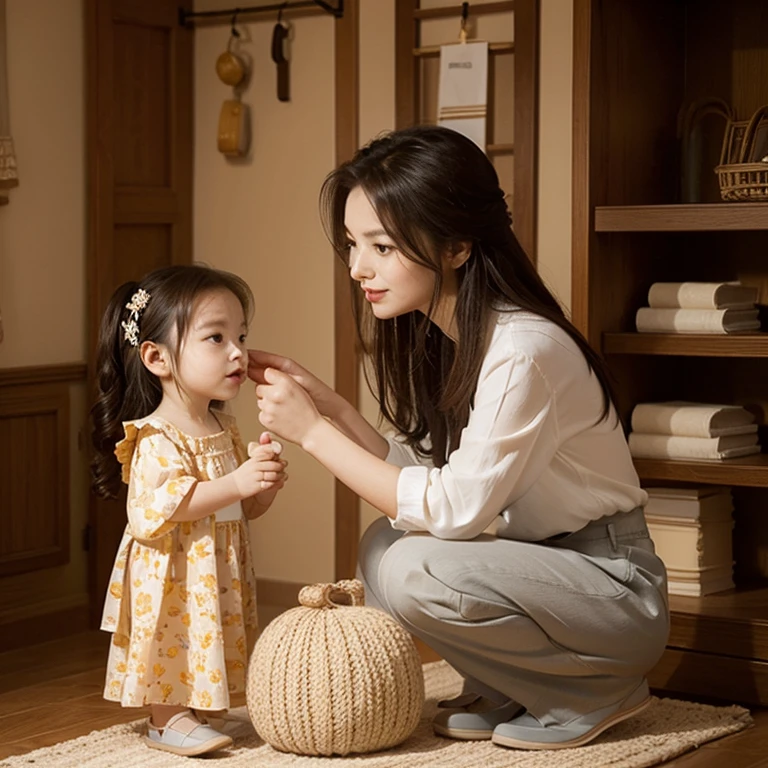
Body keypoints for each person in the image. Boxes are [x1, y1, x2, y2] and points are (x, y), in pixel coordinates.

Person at [249, 125, 669, 751]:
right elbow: (427, 480)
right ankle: (513, 687)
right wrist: (332, 409)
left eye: (382, 246)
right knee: (382, 545)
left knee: (416, 566)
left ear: (457, 246)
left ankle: (590, 691)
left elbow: (456, 511)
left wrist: (312, 433)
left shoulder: (525, 350)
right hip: (553, 573)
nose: (359, 267)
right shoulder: (456, 334)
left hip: (611, 587)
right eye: (352, 244)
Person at [91, 264, 288, 757]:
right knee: (173, 633)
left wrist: (261, 487)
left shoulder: (224, 426)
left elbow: (236, 508)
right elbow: (161, 507)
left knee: (208, 629)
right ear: (157, 357)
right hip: (174, 570)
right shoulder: (157, 434)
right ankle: (166, 716)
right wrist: (235, 482)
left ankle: (197, 705)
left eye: (240, 336)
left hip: (213, 564)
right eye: (215, 338)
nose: (237, 352)